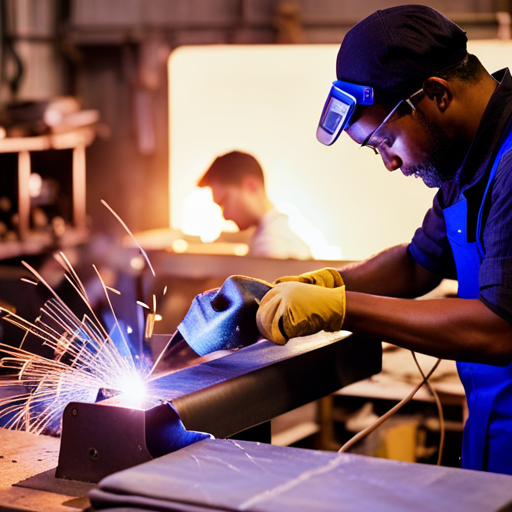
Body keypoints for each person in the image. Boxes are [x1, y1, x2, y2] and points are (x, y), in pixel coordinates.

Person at [256, 5, 512, 475]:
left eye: (385, 141)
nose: (390, 163)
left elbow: (499, 330)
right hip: (493, 446)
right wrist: (329, 283)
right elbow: (418, 263)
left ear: (435, 95)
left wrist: (341, 308)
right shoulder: (467, 160)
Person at [198, 150, 312, 259]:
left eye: (225, 202)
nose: (225, 216)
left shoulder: (271, 246)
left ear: (251, 186)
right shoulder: (269, 236)